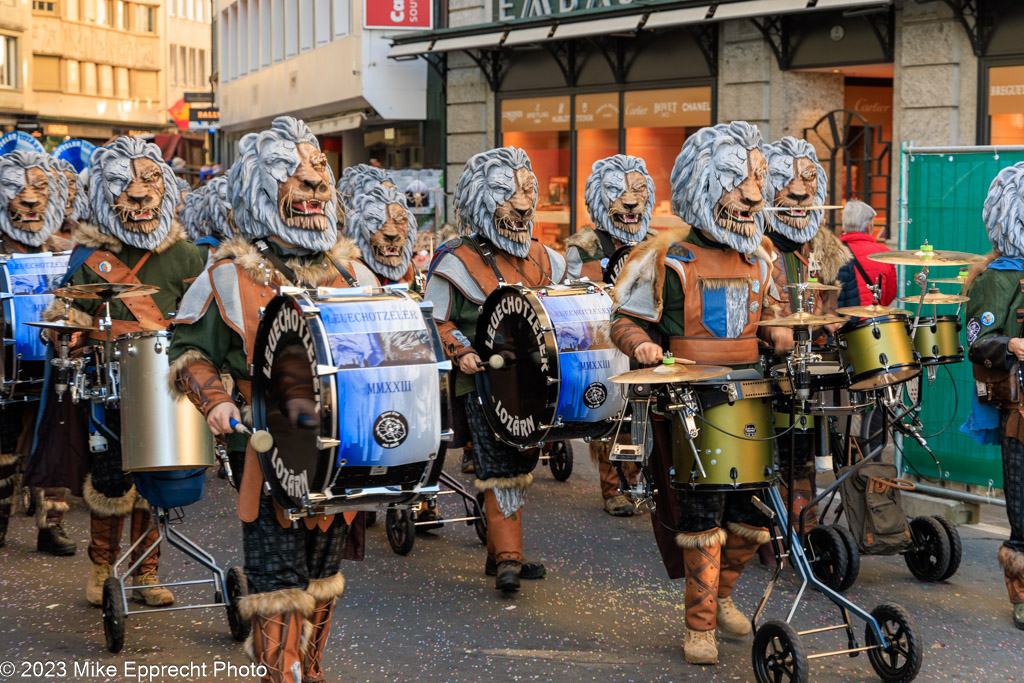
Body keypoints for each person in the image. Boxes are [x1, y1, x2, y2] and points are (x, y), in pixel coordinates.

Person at [168, 117, 378, 683]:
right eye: (297, 179)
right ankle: (278, 673)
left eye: (320, 178)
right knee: (275, 566)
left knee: (324, 563)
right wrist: (212, 400)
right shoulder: (228, 274)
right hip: (265, 442)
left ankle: (310, 667)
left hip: (342, 444)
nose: (315, 190)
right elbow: (189, 349)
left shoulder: (352, 271)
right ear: (263, 188)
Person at [610, 122, 790, 665]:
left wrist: (779, 330)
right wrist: (640, 344)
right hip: (691, 401)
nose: (753, 195)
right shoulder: (662, 257)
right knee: (701, 517)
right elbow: (623, 321)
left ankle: (726, 593)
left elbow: (777, 316)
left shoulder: (763, 257)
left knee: (755, 515)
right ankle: (700, 625)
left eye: (756, 180)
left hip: (753, 397)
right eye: (736, 181)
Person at [41, 137, 203, 604]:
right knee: (111, 480)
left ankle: (146, 574)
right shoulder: (89, 256)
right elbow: (66, 317)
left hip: (167, 383)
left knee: (157, 480)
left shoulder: (187, 256)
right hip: (107, 383)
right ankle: (101, 570)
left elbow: (199, 317)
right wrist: (69, 332)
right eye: (124, 184)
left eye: (150, 180)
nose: (138, 193)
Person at [425, 147, 566, 593]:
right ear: (482, 201)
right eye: (508, 195)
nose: (523, 205)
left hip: (532, 384)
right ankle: (508, 558)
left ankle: (499, 552)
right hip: (482, 382)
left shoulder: (544, 258)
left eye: (528, 191)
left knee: (521, 463)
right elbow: (436, 319)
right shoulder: (455, 261)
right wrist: (461, 349)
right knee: (498, 464)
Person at [762, 137, 849, 543]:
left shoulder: (821, 249)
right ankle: (770, 525)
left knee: (803, 448)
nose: (799, 189)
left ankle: (802, 522)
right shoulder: (750, 244)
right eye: (787, 179)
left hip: (805, 364)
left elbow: (826, 305)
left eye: (809, 178)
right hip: (760, 366)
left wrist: (830, 324)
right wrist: (767, 327)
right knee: (771, 449)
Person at [564, 155, 655, 516]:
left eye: (637, 190)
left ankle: (638, 480)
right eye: (618, 192)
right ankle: (612, 487)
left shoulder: (654, 241)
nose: (629, 201)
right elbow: (576, 299)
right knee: (611, 417)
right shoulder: (584, 246)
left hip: (644, 338)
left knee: (642, 413)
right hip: (603, 341)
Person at [0, 151, 73, 555]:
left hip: (52, 361)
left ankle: (52, 525)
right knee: (4, 444)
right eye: (16, 189)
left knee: (55, 440)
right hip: (4, 363)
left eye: (41, 189)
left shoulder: (66, 250)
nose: (29, 200)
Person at [964, 161, 1024, 631]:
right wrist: (1011, 344)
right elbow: (975, 343)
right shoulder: (996, 279)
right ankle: (1023, 596)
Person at [836, 200, 896, 308]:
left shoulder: (834, 252)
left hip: (843, 320)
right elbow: (889, 295)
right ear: (869, 227)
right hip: (874, 318)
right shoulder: (884, 254)